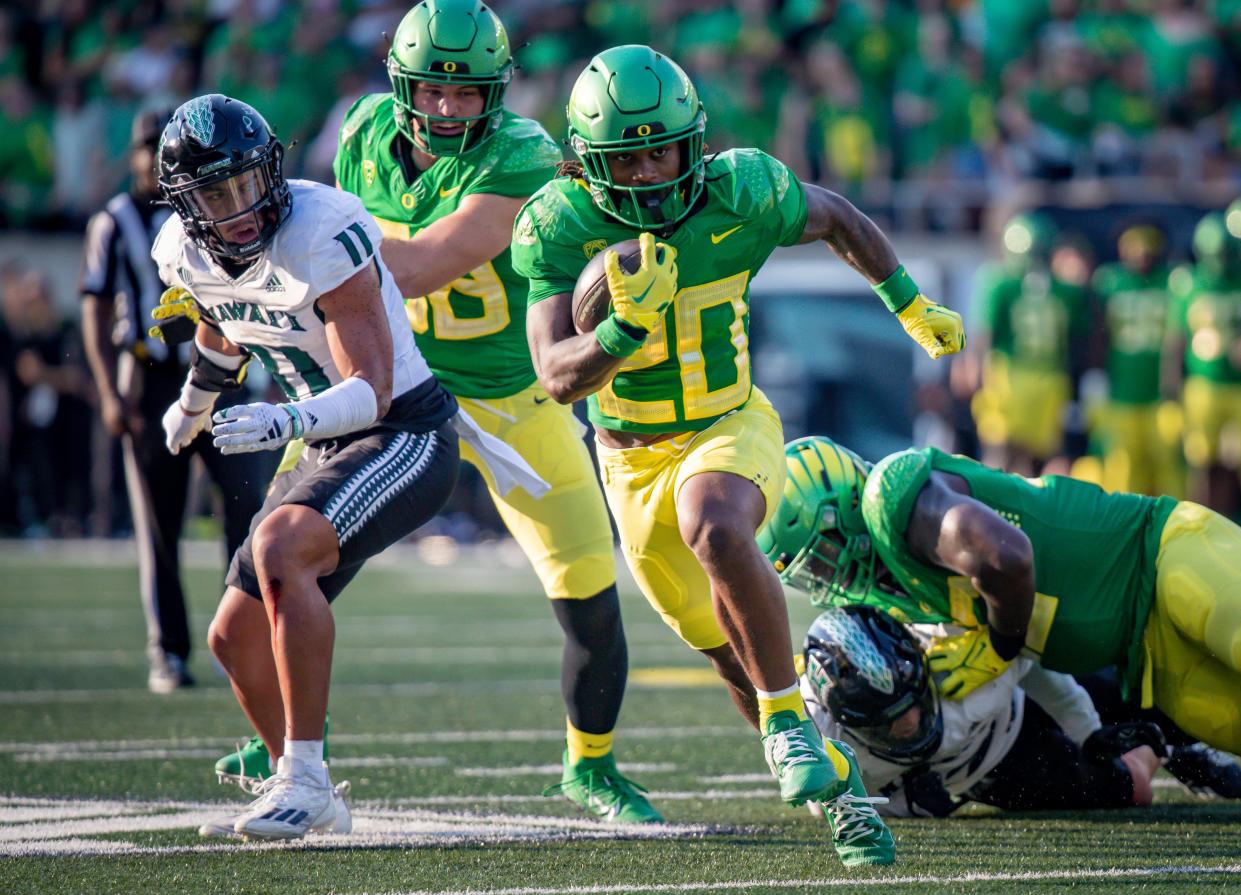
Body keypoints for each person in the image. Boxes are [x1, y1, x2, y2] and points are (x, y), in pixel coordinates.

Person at [514, 44, 965, 867]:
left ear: (696, 142)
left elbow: (836, 216)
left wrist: (907, 301)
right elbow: (553, 377)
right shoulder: (558, 221)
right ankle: (840, 793)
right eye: (629, 156)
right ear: (588, 165)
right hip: (628, 460)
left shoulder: (740, 189)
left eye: (665, 149)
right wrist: (618, 331)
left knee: (717, 527)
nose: (652, 172)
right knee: (732, 652)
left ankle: (791, 725)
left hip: (729, 423)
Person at [150, 93, 543, 840]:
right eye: (214, 193)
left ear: (271, 171)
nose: (236, 207)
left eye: (243, 183)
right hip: (330, 436)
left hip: (404, 430)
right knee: (232, 638)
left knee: (279, 548)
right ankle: (298, 783)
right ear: (185, 204)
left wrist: (283, 420)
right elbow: (222, 324)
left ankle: (304, 775)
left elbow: (372, 387)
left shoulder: (320, 229)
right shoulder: (183, 251)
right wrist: (194, 401)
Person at [320, 0, 646, 823]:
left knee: (588, 592)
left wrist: (281, 250)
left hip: (512, 396)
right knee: (295, 555)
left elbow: (420, 265)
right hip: (396, 382)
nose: (452, 108)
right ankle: (279, 733)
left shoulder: (522, 154)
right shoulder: (360, 134)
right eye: (435, 90)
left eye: (470, 95)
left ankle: (591, 765)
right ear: (403, 87)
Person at [758, 435, 1241, 757]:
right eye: (807, 573)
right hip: (1146, 662)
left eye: (817, 557)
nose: (822, 578)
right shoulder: (900, 592)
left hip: (1163, 556)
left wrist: (998, 643)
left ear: (837, 510)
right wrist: (1087, 733)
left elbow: (1007, 557)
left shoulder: (892, 500)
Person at [82, 107, 276, 693]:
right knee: (160, 524)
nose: (147, 158)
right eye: (142, 147)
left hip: (227, 377)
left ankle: (241, 642)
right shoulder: (116, 221)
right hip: (151, 380)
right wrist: (109, 390)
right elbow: (94, 304)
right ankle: (167, 649)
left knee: (246, 513)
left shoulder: (223, 201)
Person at [799, 604, 1164, 817]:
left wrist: (1088, 732)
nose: (912, 725)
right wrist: (903, 801)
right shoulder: (826, 742)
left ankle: (1176, 741)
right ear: (846, 721)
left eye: (916, 704)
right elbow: (828, 805)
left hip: (1021, 702)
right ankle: (1174, 752)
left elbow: (1025, 660)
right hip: (999, 768)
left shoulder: (951, 666)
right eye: (888, 725)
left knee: (1152, 687)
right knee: (1135, 788)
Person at [966, 213, 1089, 476]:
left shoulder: (999, 282)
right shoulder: (1066, 290)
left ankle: (989, 512)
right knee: (1039, 463)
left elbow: (984, 332)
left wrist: (973, 365)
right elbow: (1079, 338)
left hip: (1010, 376)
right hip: (1051, 378)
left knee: (1001, 457)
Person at [1089, 223, 1182, 497]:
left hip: (1161, 396)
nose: (1141, 254)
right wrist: (1095, 377)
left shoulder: (1173, 281)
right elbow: (1097, 334)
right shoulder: (1109, 281)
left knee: (1168, 472)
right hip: (1121, 393)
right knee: (1123, 473)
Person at [1165, 211, 1241, 518]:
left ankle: (1230, 520)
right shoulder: (1189, 285)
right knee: (1202, 462)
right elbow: (1175, 341)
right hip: (1203, 385)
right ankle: (1205, 519)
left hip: (1235, 386)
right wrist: (1171, 387)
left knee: (1231, 461)